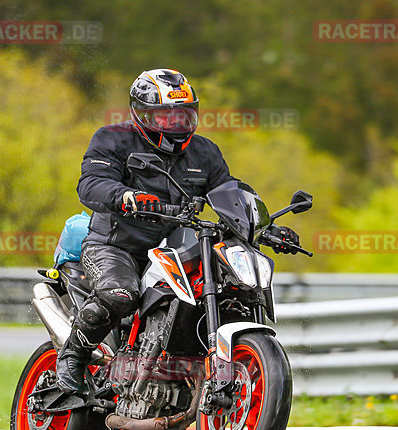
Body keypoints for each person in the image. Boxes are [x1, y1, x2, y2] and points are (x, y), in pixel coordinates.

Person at [56, 68, 300, 394]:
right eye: (166, 116)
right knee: (120, 293)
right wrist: (127, 197)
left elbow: (228, 191)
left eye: (184, 115)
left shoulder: (205, 152)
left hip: (177, 246)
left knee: (229, 282)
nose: (177, 124)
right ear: (142, 113)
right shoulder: (113, 139)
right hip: (116, 245)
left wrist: (265, 226)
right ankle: (74, 353)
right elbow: (90, 184)